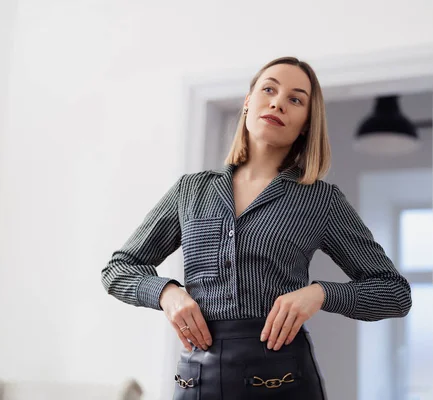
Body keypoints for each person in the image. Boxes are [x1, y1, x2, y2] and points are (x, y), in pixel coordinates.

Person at [101, 56, 412, 399]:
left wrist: (320, 293)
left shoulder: (321, 201)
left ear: (306, 123)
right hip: (198, 380)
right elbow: (119, 269)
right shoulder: (189, 191)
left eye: (295, 99)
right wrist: (167, 293)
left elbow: (394, 294)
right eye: (269, 90)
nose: (278, 102)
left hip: (284, 380)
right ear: (248, 102)